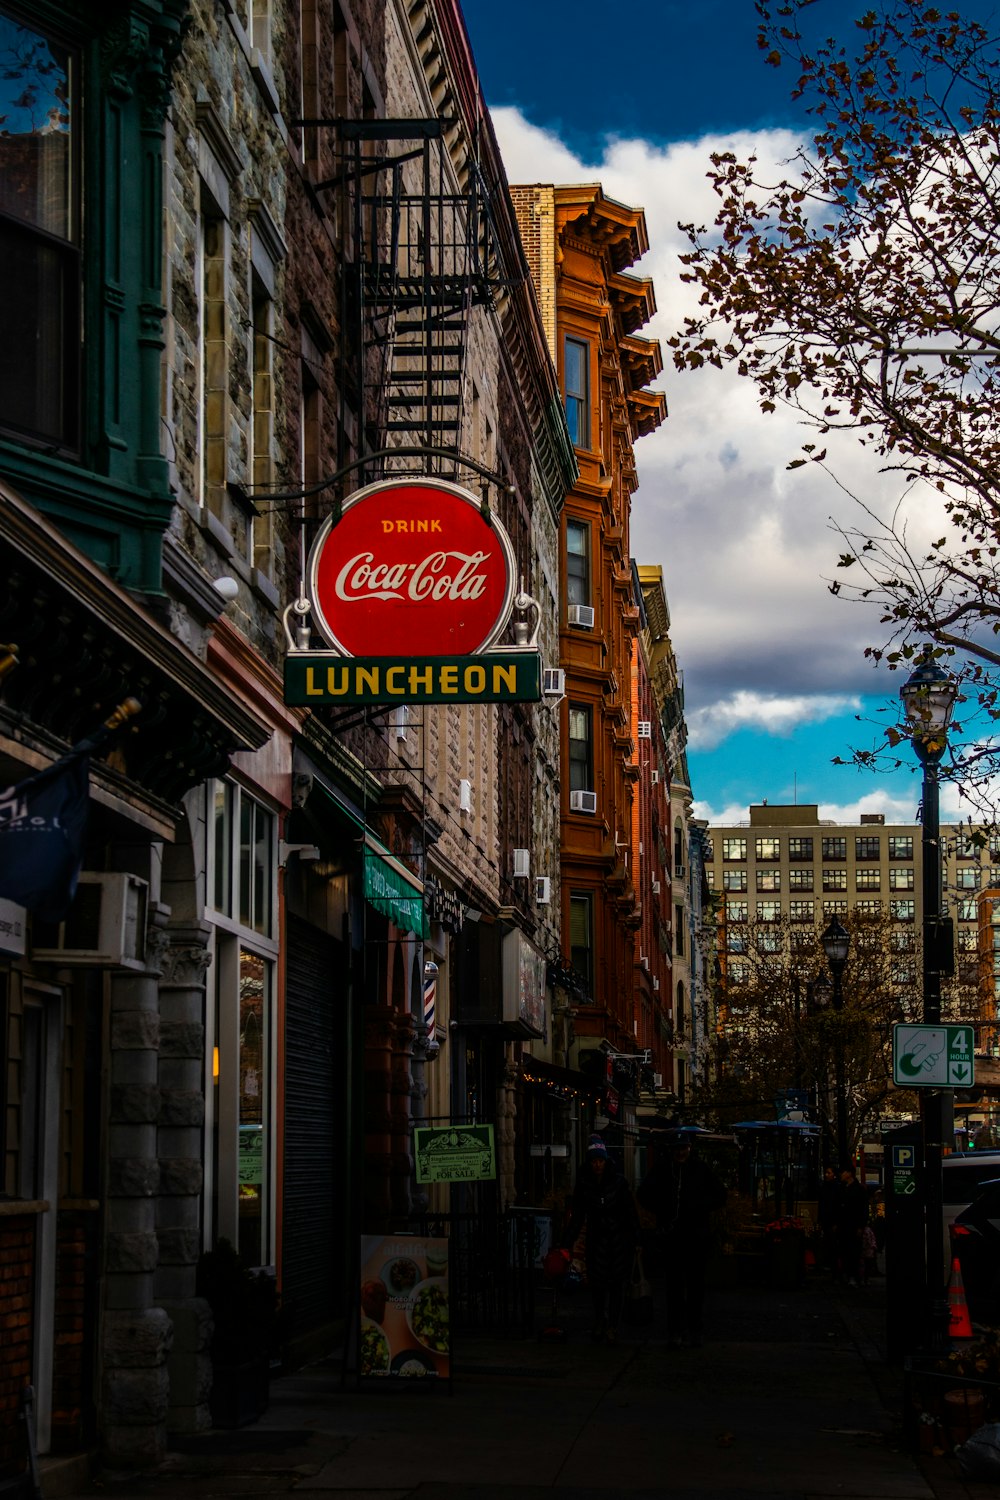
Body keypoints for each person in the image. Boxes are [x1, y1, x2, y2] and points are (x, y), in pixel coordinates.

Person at [637, 1132, 727, 1347]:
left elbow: (720, 1195)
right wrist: (662, 1210)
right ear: (672, 1150)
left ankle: (693, 1328)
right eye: (677, 1148)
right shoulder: (663, 1169)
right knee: (674, 1287)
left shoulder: (700, 1169)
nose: (680, 1152)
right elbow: (643, 1194)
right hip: (673, 1238)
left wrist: (699, 1208)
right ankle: (677, 1329)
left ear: (689, 1148)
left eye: (683, 1148)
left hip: (695, 1237)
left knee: (695, 1286)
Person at [564, 1134, 639, 1344]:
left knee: (615, 1285)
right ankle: (601, 1320)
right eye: (595, 1161)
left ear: (606, 1161)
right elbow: (578, 1215)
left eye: (600, 1161)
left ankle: (611, 1324)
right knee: (598, 1285)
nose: (598, 1165)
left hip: (617, 1241)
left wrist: (636, 1237)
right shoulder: (586, 1184)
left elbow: (629, 1212)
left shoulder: (617, 1183)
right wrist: (568, 1239)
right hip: (598, 1240)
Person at [836, 1164, 868, 1286]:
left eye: (843, 1172)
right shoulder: (843, 1188)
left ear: (849, 1173)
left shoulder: (858, 1190)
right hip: (845, 1225)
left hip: (853, 1225)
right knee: (845, 1250)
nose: (841, 1175)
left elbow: (863, 1209)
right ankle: (848, 1275)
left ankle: (853, 1275)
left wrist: (861, 1225)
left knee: (853, 1251)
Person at [818, 1166, 843, 1272]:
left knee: (832, 1244)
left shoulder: (836, 1188)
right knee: (828, 1243)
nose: (826, 1175)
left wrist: (836, 1222)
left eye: (829, 1173)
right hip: (827, 1220)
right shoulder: (825, 1187)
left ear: (834, 1175)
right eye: (826, 1173)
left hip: (832, 1221)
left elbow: (836, 1206)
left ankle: (834, 1266)